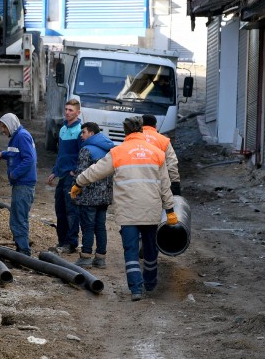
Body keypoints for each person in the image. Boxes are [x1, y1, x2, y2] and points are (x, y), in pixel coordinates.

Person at [71, 116, 177, 302]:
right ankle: (150, 284)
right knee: (151, 248)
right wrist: (170, 210)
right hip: (150, 210)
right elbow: (165, 185)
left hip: (128, 211)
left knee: (130, 250)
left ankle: (136, 289)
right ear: (142, 131)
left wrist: (79, 183)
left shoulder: (118, 152)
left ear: (126, 131)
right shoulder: (156, 153)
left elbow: (96, 170)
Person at [72, 122, 113, 268]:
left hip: (89, 197)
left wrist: (74, 177)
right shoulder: (109, 149)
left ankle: (85, 257)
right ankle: (100, 258)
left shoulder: (86, 150)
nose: (81, 136)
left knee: (88, 227)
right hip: (105, 196)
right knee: (100, 226)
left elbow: (82, 174)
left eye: (83, 132)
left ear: (91, 133)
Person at [0, 113, 37, 256]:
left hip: (23, 183)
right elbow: (16, 153)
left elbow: (29, 159)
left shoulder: (22, 136)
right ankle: (21, 249)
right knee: (18, 217)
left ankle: (24, 253)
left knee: (18, 219)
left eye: (4, 127)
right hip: (21, 183)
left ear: (11, 124)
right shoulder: (17, 137)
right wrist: (4, 154)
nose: (3, 130)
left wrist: (15, 174)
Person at [46, 99, 83, 254]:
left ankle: (71, 243)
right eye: (66, 109)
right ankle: (62, 241)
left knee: (71, 210)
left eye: (71, 110)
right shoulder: (62, 129)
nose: (67, 112)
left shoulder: (80, 130)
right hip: (62, 175)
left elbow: (82, 154)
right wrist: (55, 171)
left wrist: (76, 171)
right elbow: (61, 154)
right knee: (60, 209)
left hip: (71, 176)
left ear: (78, 112)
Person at [142, 114, 181, 195]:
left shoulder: (131, 139)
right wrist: (175, 182)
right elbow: (171, 162)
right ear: (155, 126)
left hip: (134, 180)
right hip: (156, 181)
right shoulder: (164, 140)